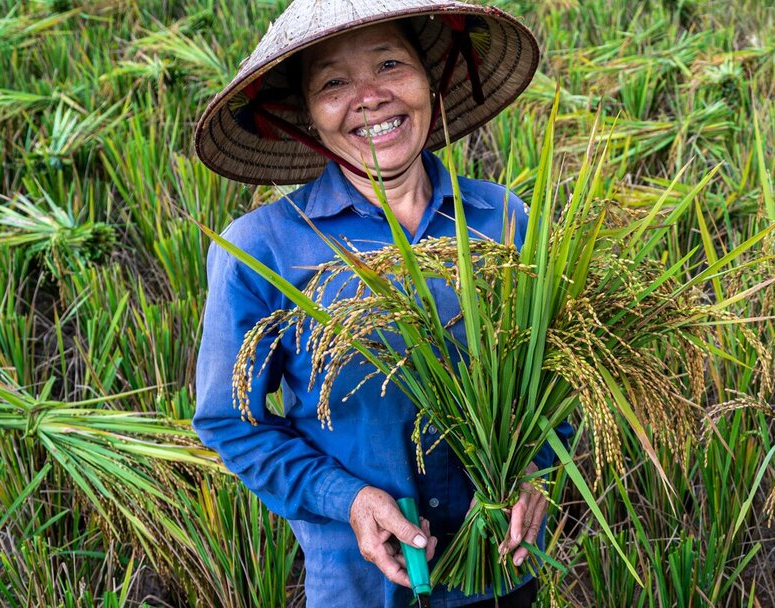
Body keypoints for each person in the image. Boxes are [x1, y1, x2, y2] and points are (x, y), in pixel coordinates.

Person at [190, 2, 569, 606]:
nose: (369, 97)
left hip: (501, 573)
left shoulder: (502, 219)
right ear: (309, 118)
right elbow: (231, 421)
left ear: (431, 82)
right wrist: (350, 500)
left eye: (390, 64)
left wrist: (538, 469)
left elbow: (557, 374)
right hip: (364, 588)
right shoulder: (262, 249)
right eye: (334, 83)